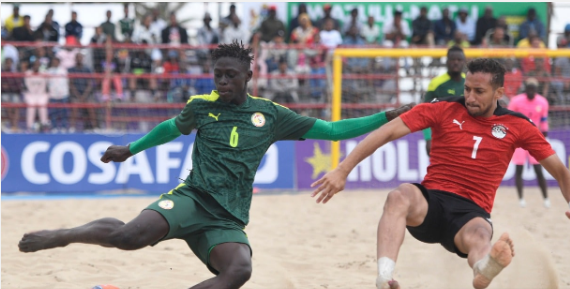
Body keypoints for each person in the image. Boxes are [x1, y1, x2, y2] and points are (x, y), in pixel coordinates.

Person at [18, 41, 414, 289]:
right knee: (128, 237)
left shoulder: (271, 115)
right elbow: (171, 128)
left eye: (230, 75)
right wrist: (131, 149)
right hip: (192, 198)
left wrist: (385, 117)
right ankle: (64, 234)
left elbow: (332, 130)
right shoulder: (201, 108)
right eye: (218, 75)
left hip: (227, 219)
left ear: (248, 75)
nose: (222, 82)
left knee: (240, 270)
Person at [310, 58, 570, 289]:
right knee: (400, 195)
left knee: (482, 236)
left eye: (479, 92)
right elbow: (385, 133)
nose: (470, 96)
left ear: (499, 93)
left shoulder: (518, 125)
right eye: (468, 88)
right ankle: (385, 277)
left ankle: (485, 268)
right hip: (430, 204)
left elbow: (560, 171)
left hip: (470, 213)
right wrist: (342, 169)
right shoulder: (443, 108)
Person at [507, 78, 550, 208]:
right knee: (519, 169)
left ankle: (546, 198)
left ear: (536, 90)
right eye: (529, 88)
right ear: (525, 88)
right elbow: (509, 117)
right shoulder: (516, 101)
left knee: (538, 169)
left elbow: (544, 119)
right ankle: (521, 198)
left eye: (533, 89)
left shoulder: (542, 102)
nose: (531, 91)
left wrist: (545, 132)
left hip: (534, 138)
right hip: (519, 139)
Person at [422, 46, 466, 155]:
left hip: (466, 137)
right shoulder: (436, 84)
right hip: (442, 137)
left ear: (464, 62)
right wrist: (428, 138)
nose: (456, 62)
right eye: (452, 59)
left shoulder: (469, 82)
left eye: (459, 60)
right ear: (447, 62)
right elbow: (425, 112)